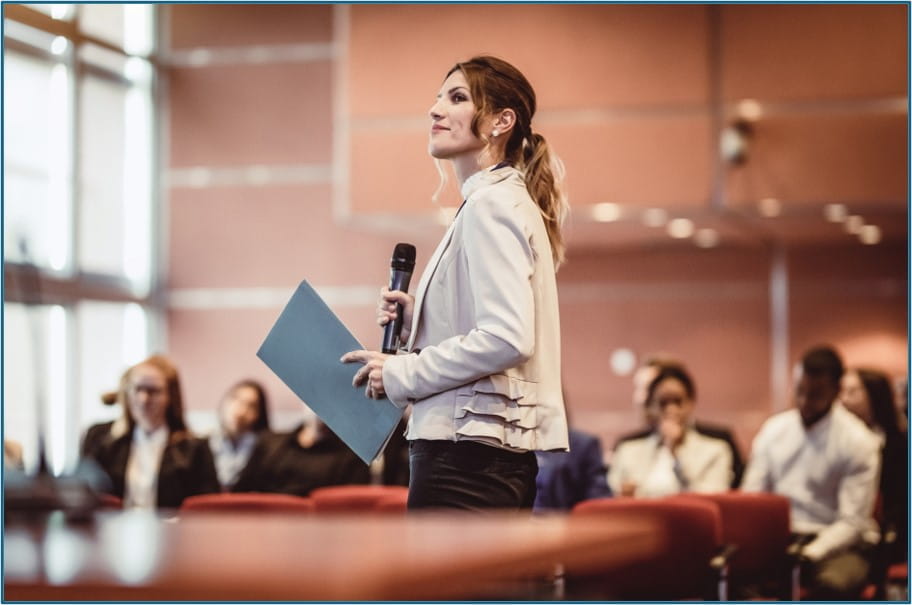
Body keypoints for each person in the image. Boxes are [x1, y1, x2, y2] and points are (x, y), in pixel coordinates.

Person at [341, 55, 569, 511]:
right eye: (438, 97)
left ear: (502, 121)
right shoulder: (497, 199)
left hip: (466, 459)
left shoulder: (492, 204)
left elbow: (508, 337)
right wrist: (418, 324)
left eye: (457, 97)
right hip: (475, 456)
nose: (435, 109)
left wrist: (402, 371)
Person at [742, 346, 881, 600]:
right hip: (780, 539)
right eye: (800, 392)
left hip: (838, 545)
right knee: (734, 577)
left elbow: (852, 522)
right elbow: (752, 499)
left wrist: (809, 554)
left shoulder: (858, 441)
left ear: (836, 391)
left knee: (833, 585)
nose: (805, 401)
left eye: (816, 394)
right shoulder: (774, 430)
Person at [81, 355, 220, 509]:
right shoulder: (99, 438)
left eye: (153, 391)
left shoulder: (195, 448)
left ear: (170, 396)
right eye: (137, 389)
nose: (143, 399)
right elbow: (83, 494)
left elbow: (206, 508)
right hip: (112, 530)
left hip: (171, 532)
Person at [614, 355, 745, 488]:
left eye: (677, 401)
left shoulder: (716, 448)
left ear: (690, 402)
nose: (671, 409)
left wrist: (675, 453)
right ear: (652, 405)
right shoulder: (628, 449)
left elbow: (711, 498)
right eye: (663, 403)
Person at [841, 367, 908, 564]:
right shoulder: (836, 442)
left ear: (874, 395)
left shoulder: (898, 444)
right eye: (841, 392)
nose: (843, 399)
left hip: (881, 535)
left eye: (852, 392)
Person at [237, 417, 369, 496]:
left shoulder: (353, 455)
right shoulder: (269, 442)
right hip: (263, 525)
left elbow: (349, 509)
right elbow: (240, 493)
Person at [207, 379, 272, 491]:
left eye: (251, 406)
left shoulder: (268, 450)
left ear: (259, 414)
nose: (241, 411)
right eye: (235, 399)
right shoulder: (201, 444)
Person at [534, 427, 611, 512]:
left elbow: (599, 497)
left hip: (562, 519)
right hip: (521, 519)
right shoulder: (520, 442)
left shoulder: (582, 444)